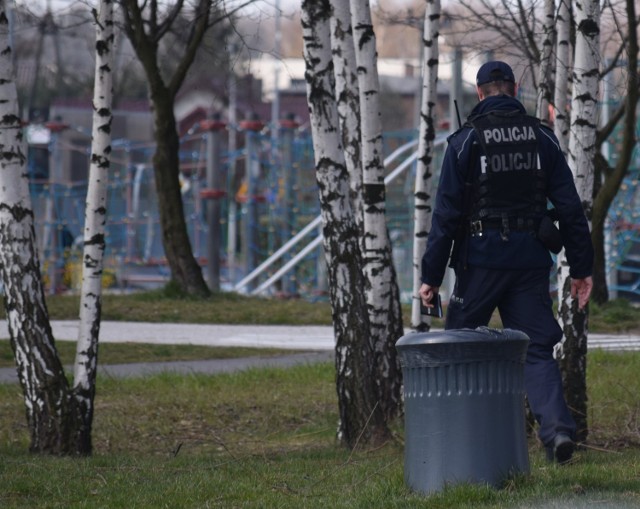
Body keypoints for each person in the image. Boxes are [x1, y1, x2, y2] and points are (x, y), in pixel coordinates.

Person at [419, 61, 594, 464]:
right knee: (535, 350)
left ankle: (458, 442)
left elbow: (444, 216)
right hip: (530, 261)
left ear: (480, 93)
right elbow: (569, 209)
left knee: (458, 347)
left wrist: (430, 276)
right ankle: (558, 432)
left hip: (479, 262)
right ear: (514, 91)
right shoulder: (543, 139)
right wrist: (582, 269)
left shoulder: (464, 142)